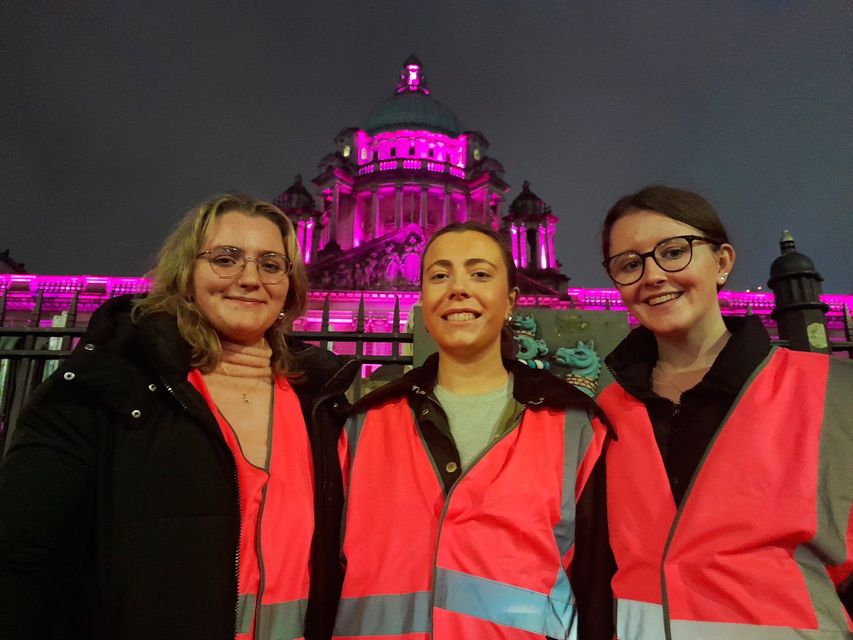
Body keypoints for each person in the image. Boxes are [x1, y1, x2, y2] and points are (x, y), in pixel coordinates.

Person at [0, 194, 358, 640]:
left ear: (290, 285)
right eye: (225, 259)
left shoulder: (321, 401)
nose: (249, 279)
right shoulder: (104, 385)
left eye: (271, 264)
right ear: (186, 273)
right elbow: (24, 560)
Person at [333, 222, 614, 640]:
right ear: (423, 300)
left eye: (480, 274)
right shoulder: (362, 422)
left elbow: (598, 584)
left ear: (511, 302)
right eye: (439, 275)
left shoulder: (575, 425)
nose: (458, 288)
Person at [597, 185, 853, 639]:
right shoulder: (603, 412)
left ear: (722, 262)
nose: (653, 275)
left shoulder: (834, 390)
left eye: (674, 251)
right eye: (630, 264)